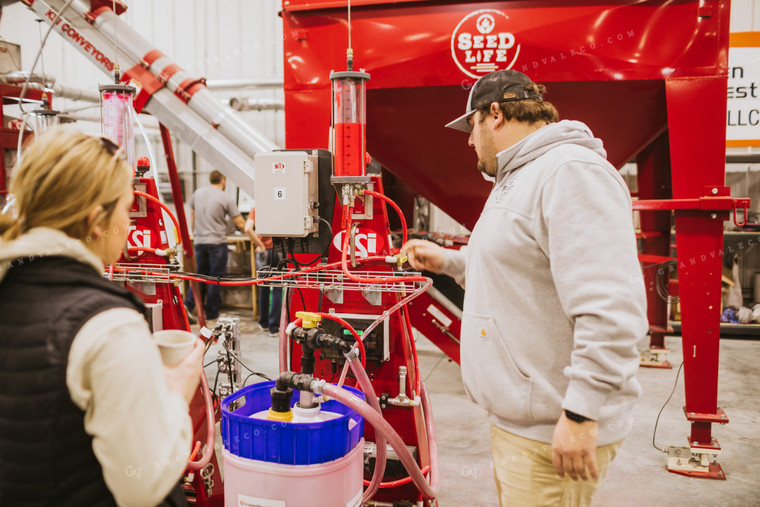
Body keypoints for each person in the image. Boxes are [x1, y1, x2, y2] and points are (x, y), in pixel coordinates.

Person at [402, 70, 647, 507]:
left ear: (494, 114)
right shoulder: (519, 176)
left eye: (471, 126)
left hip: (555, 427)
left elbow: (612, 307)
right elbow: (523, 267)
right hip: (524, 424)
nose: (469, 141)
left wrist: (580, 414)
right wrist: (451, 263)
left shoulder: (569, 172)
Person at [0, 129, 204, 506]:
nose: (129, 225)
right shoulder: (107, 323)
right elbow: (144, 484)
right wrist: (176, 393)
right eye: (126, 209)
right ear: (97, 220)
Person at [183, 170, 247, 322]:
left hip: (199, 241)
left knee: (199, 277)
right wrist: (253, 230)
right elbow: (239, 222)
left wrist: (195, 232)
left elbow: (192, 214)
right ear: (223, 180)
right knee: (215, 278)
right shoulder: (226, 197)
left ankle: (188, 305)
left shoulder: (198, 193)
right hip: (217, 243)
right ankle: (211, 313)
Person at [244, 207, 283, 335]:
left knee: (263, 287)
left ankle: (263, 323)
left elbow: (248, 228)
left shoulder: (257, 208)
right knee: (277, 288)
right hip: (278, 251)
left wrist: (260, 244)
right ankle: (274, 327)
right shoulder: (279, 208)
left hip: (262, 252)